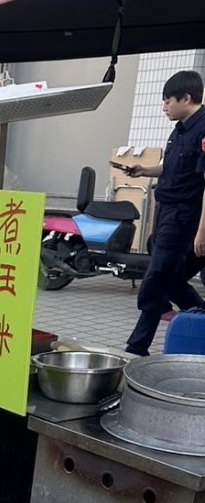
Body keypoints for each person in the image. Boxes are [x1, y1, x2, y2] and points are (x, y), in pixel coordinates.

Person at [120, 71, 205, 356]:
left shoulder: (203, 130)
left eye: (168, 100)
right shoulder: (179, 129)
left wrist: (202, 230)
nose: (164, 107)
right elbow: (170, 167)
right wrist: (144, 170)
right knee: (168, 275)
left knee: (156, 277)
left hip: (186, 214)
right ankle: (198, 313)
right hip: (166, 210)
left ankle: (137, 346)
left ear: (186, 98)